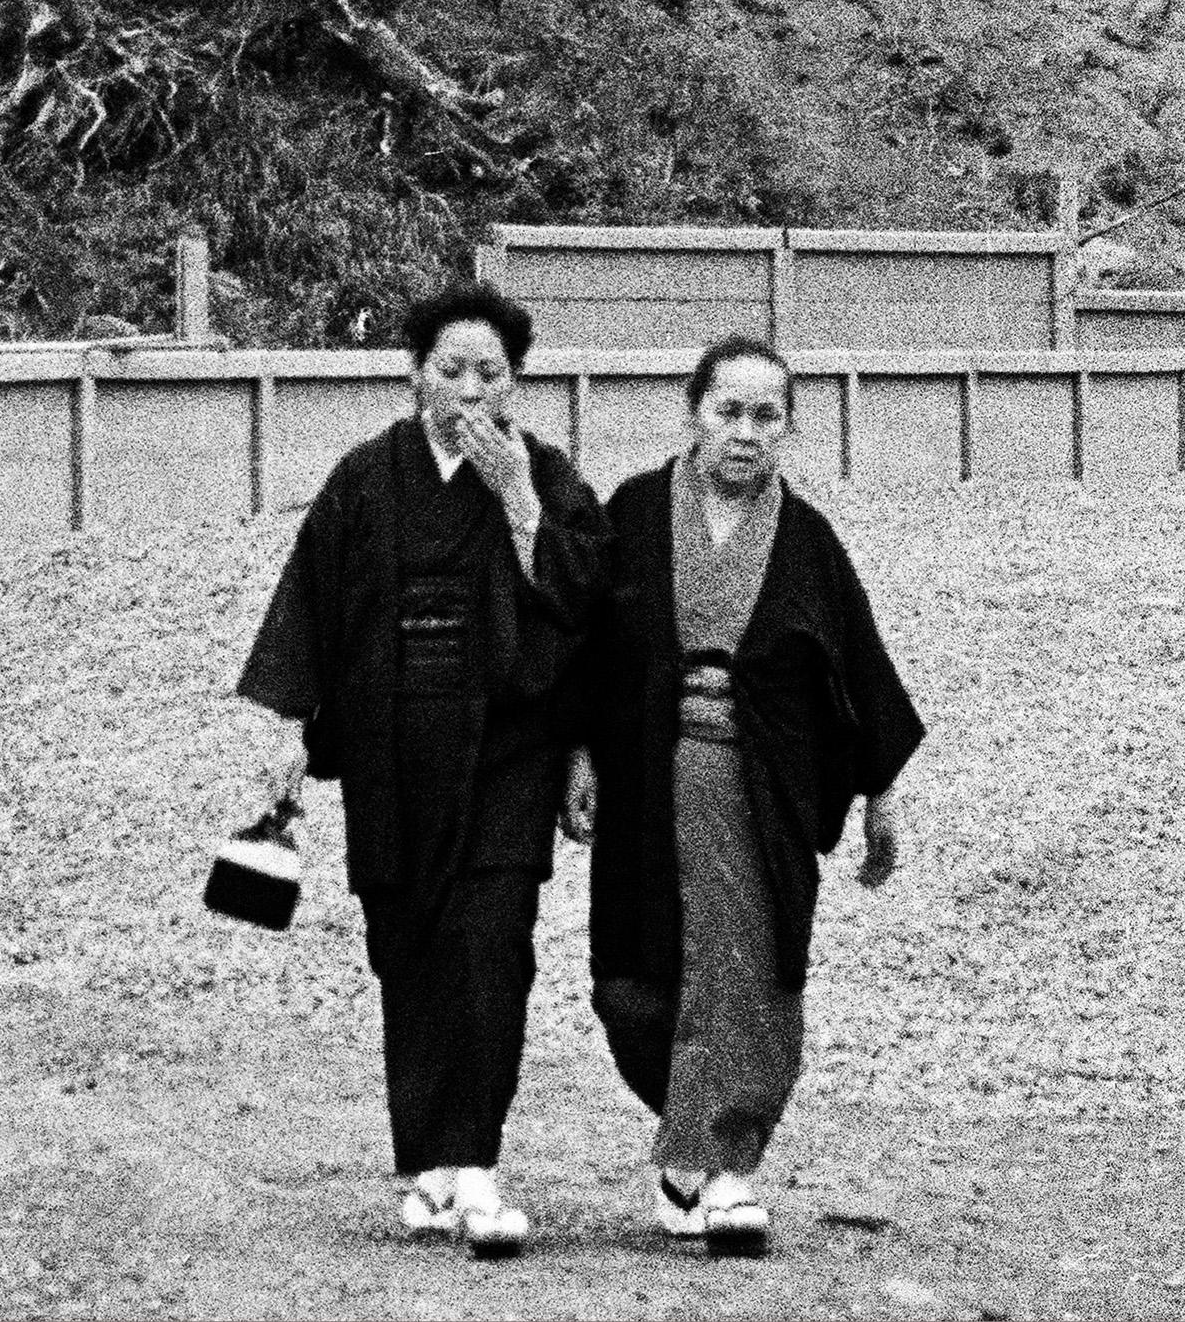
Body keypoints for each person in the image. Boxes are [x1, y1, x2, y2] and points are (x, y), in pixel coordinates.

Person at [234, 277, 610, 1257]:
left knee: (492, 951)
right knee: (409, 953)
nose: (473, 392)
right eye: (453, 370)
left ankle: (476, 1168)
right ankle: (429, 1169)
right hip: (390, 758)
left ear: (519, 383)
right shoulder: (365, 480)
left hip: (508, 755)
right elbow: (308, 614)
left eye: (493, 373)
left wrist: (523, 506)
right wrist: (284, 739)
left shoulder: (551, 476)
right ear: (414, 377)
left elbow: (593, 613)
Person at [578, 333, 922, 1256]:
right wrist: (578, 756)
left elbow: (861, 674)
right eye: (728, 410)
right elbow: (590, 656)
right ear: (693, 412)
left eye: (767, 415)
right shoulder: (638, 513)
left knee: (751, 976)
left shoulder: (806, 542)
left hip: (760, 792)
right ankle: (691, 1125)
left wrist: (881, 796)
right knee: (633, 988)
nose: (745, 432)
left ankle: (723, 1172)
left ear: (789, 429)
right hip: (649, 779)